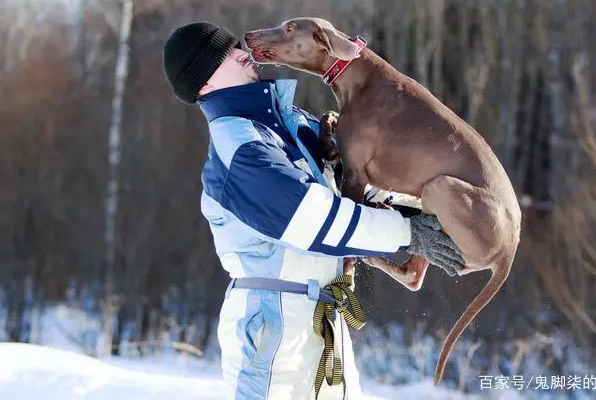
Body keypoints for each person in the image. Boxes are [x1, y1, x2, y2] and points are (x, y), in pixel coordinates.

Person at [162, 22, 463, 400]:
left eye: (235, 46)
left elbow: (352, 200)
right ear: (203, 84)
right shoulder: (238, 149)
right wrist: (409, 233)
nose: (241, 53)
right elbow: (313, 220)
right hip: (273, 336)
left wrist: (439, 215)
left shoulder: (296, 125)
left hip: (328, 321)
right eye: (223, 55)